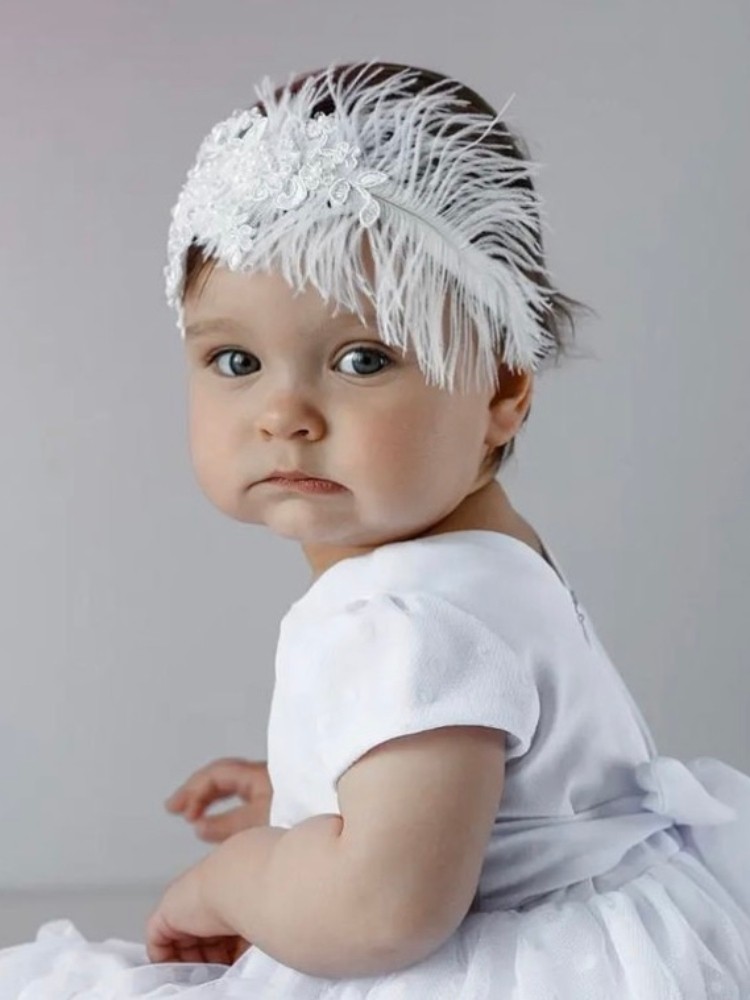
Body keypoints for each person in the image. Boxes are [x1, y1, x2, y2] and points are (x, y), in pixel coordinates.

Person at [1, 58, 749, 999]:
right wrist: (325, 786)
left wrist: (236, 879)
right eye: (235, 359)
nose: (284, 412)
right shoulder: (488, 559)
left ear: (502, 387)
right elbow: (502, 797)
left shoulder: (402, 610)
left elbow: (382, 910)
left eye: (363, 357)